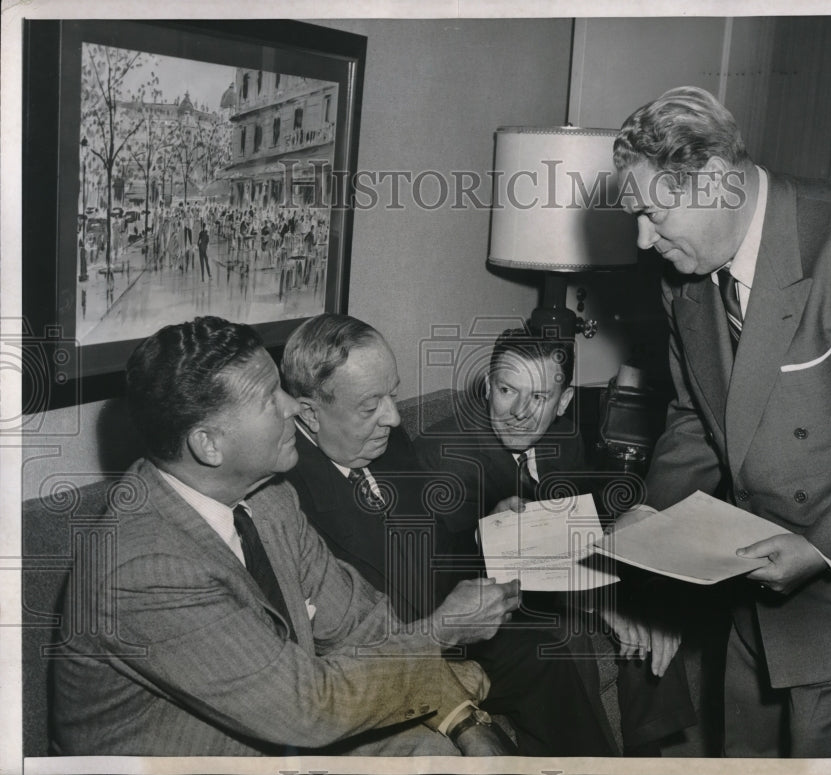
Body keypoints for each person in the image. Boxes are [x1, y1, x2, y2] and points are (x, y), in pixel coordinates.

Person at [612, 85, 831, 757]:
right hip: (764, 564)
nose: (642, 238)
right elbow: (696, 416)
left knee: (821, 746)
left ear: (715, 181)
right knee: (747, 745)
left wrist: (822, 548)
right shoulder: (685, 276)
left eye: (655, 213)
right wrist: (654, 514)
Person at [51, 316, 520, 757]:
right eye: (269, 399)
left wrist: (465, 720)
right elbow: (311, 709)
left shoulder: (270, 500)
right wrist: (444, 629)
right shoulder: (145, 571)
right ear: (208, 445)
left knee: (436, 754)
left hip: (277, 729)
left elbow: (365, 622)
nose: (294, 406)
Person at [281, 313, 623, 756]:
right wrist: (446, 642)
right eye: (371, 406)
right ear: (309, 413)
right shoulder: (288, 500)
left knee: (548, 649)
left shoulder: (386, 442)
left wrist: (485, 537)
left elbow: (437, 549)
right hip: (388, 660)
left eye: (394, 394)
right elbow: (337, 649)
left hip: (450, 630)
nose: (392, 416)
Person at [415, 326, 697, 756]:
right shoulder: (444, 452)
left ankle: (646, 751)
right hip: (480, 616)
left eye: (539, 398)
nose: (519, 413)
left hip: (549, 587)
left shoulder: (563, 440)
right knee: (562, 635)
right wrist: (600, 605)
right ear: (489, 385)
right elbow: (450, 576)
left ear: (563, 402)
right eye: (507, 390)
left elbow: (577, 535)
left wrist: (620, 599)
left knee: (647, 590)